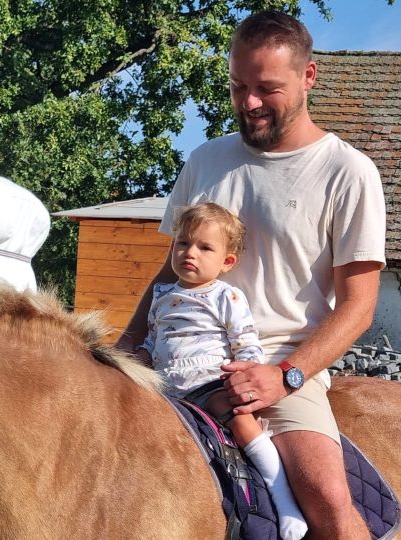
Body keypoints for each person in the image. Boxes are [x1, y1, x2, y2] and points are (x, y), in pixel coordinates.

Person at [117, 10, 386, 540]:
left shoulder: (348, 172)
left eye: (267, 88)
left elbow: (359, 307)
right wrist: (127, 343)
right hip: (176, 361)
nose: (250, 102)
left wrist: (284, 375)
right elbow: (170, 271)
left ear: (308, 77)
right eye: (239, 86)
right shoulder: (205, 160)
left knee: (330, 505)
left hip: (280, 368)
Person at [137, 202, 306, 540]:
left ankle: (282, 495)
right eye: (183, 243)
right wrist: (136, 358)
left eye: (204, 247)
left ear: (227, 262)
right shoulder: (162, 295)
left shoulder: (225, 296)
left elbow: (246, 342)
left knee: (242, 424)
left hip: (210, 381)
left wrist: (248, 372)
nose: (190, 253)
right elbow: (153, 341)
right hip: (166, 387)